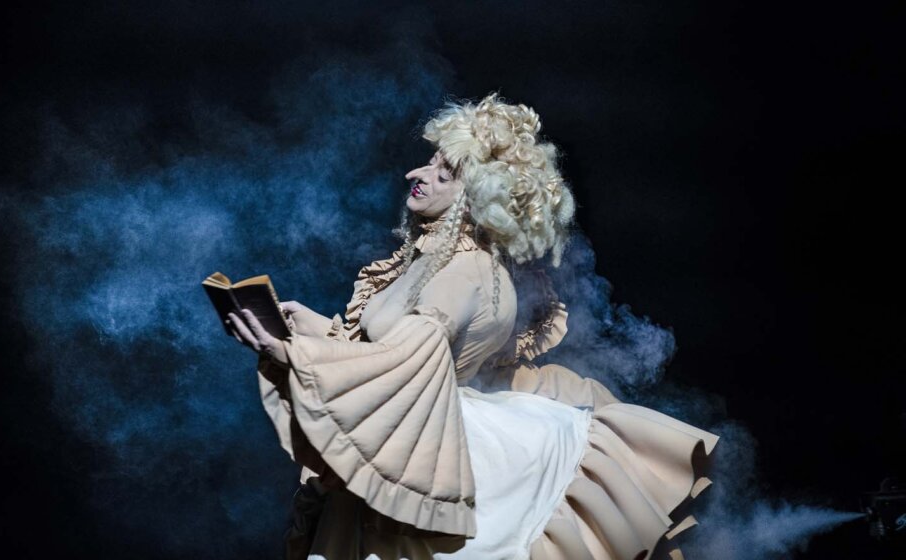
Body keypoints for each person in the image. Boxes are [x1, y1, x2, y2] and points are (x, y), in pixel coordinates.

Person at [226, 93, 719, 560]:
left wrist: (295, 355)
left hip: (428, 446)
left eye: (445, 172)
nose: (417, 174)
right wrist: (311, 329)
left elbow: (404, 363)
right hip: (414, 433)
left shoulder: (465, 273)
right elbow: (387, 350)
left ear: (479, 197)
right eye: (430, 162)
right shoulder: (438, 261)